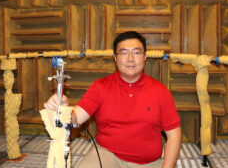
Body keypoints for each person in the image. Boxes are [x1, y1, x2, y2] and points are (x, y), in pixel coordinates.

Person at [44, 31, 182, 168]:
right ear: (115, 58)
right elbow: (75, 119)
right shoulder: (100, 86)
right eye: (123, 53)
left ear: (145, 57)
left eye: (137, 52)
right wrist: (62, 110)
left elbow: (174, 135)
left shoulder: (161, 91)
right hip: (108, 156)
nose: (130, 59)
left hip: (150, 163)